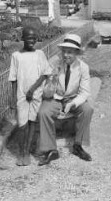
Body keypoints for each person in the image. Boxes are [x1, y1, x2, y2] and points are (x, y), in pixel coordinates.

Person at [38, 34, 93, 166]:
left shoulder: (83, 67)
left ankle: (78, 145)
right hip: (56, 98)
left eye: (70, 52)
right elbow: (45, 92)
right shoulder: (54, 63)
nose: (66, 55)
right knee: (44, 112)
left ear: (77, 53)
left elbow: (85, 92)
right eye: (64, 51)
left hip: (73, 98)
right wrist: (53, 79)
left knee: (87, 109)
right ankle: (51, 150)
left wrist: (73, 103)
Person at [8, 26, 51, 166]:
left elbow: (45, 74)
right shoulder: (16, 56)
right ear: (22, 39)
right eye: (28, 38)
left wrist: (33, 89)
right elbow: (13, 78)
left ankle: (26, 152)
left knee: (32, 122)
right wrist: (13, 98)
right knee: (22, 124)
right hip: (21, 95)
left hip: (35, 94)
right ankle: (21, 151)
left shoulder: (39, 54)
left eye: (34, 38)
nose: (31, 40)